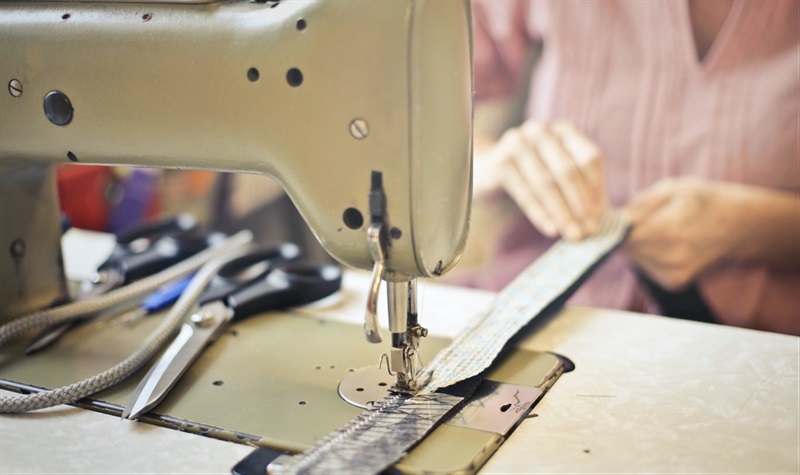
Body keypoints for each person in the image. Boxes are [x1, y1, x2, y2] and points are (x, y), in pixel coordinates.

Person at [461, 0, 799, 335]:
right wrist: (489, 163)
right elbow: (417, 118)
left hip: (759, 339)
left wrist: (751, 227)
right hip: (529, 311)